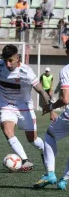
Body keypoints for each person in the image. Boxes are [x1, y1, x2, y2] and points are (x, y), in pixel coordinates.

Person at [0, 44, 53, 171]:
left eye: (10, 60)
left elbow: (41, 91)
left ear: (17, 58)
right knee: (7, 130)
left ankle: (45, 150)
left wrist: (51, 110)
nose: (7, 64)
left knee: (32, 140)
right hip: (6, 104)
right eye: (5, 60)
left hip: (24, 107)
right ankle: (25, 160)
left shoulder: (26, 72)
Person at [33, 40, 69, 190]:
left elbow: (66, 99)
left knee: (50, 134)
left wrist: (50, 107)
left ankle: (50, 173)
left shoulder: (66, 70)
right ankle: (64, 180)